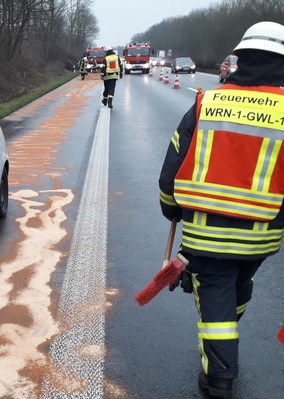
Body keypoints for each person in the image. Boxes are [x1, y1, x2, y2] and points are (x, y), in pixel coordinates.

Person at [158, 21, 284, 398]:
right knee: (239, 284)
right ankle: (224, 326)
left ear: (239, 58)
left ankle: (220, 379)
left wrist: (171, 211)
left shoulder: (206, 103)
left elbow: (171, 172)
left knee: (216, 300)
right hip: (261, 238)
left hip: (205, 236)